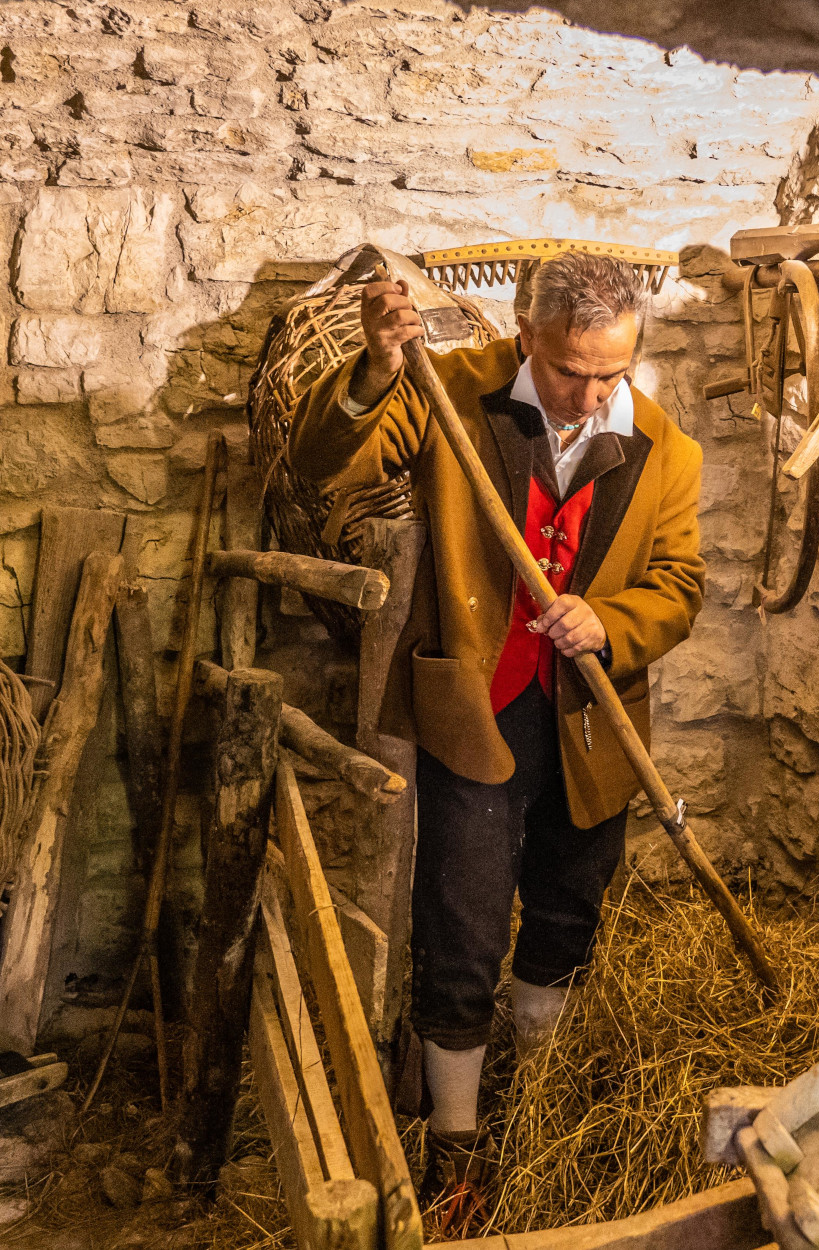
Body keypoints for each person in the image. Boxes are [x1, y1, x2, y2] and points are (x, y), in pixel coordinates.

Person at [289, 250, 704, 1226]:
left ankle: (538, 1104)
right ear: (527, 337)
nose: (594, 392)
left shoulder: (665, 447)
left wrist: (611, 621)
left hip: (592, 718)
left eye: (614, 372)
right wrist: (377, 371)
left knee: (567, 912)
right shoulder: (452, 392)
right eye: (571, 371)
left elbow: (679, 587)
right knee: (463, 928)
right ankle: (456, 1144)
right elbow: (323, 465)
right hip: (477, 706)